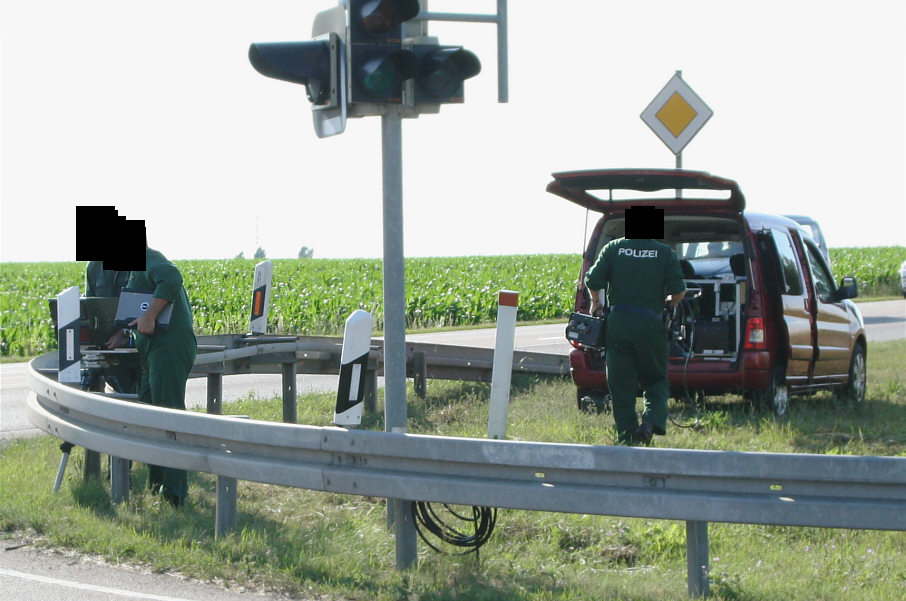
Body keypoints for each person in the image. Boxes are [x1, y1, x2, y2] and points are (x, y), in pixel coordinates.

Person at [585, 207, 686, 446]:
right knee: (655, 380)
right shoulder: (664, 253)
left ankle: (627, 439)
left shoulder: (613, 248)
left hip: (618, 325)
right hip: (651, 325)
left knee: (620, 385)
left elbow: (593, 280)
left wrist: (595, 302)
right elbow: (678, 290)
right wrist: (671, 303)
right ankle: (650, 423)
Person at [107, 246, 196, 507]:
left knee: (168, 414)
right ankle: (157, 483)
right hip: (150, 347)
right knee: (149, 412)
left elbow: (171, 278)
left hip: (169, 346)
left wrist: (150, 316)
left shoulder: (149, 258)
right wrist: (125, 331)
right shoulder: (134, 270)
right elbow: (140, 305)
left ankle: (175, 492)